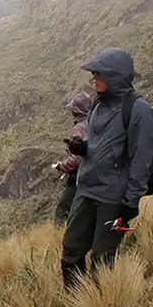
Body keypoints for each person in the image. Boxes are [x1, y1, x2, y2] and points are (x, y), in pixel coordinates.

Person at [60, 47, 153, 289]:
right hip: (87, 190)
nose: (94, 80)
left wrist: (130, 203)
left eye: (98, 76)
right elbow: (99, 143)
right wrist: (82, 149)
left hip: (114, 199)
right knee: (71, 250)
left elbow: (141, 160)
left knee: (103, 258)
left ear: (114, 77)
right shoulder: (97, 105)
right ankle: (75, 302)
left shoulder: (138, 110)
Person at [51, 92, 97, 227]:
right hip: (96, 173)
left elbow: (76, 159)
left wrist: (60, 166)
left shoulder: (79, 129)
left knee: (63, 208)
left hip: (80, 175)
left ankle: (58, 237)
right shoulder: (95, 122)